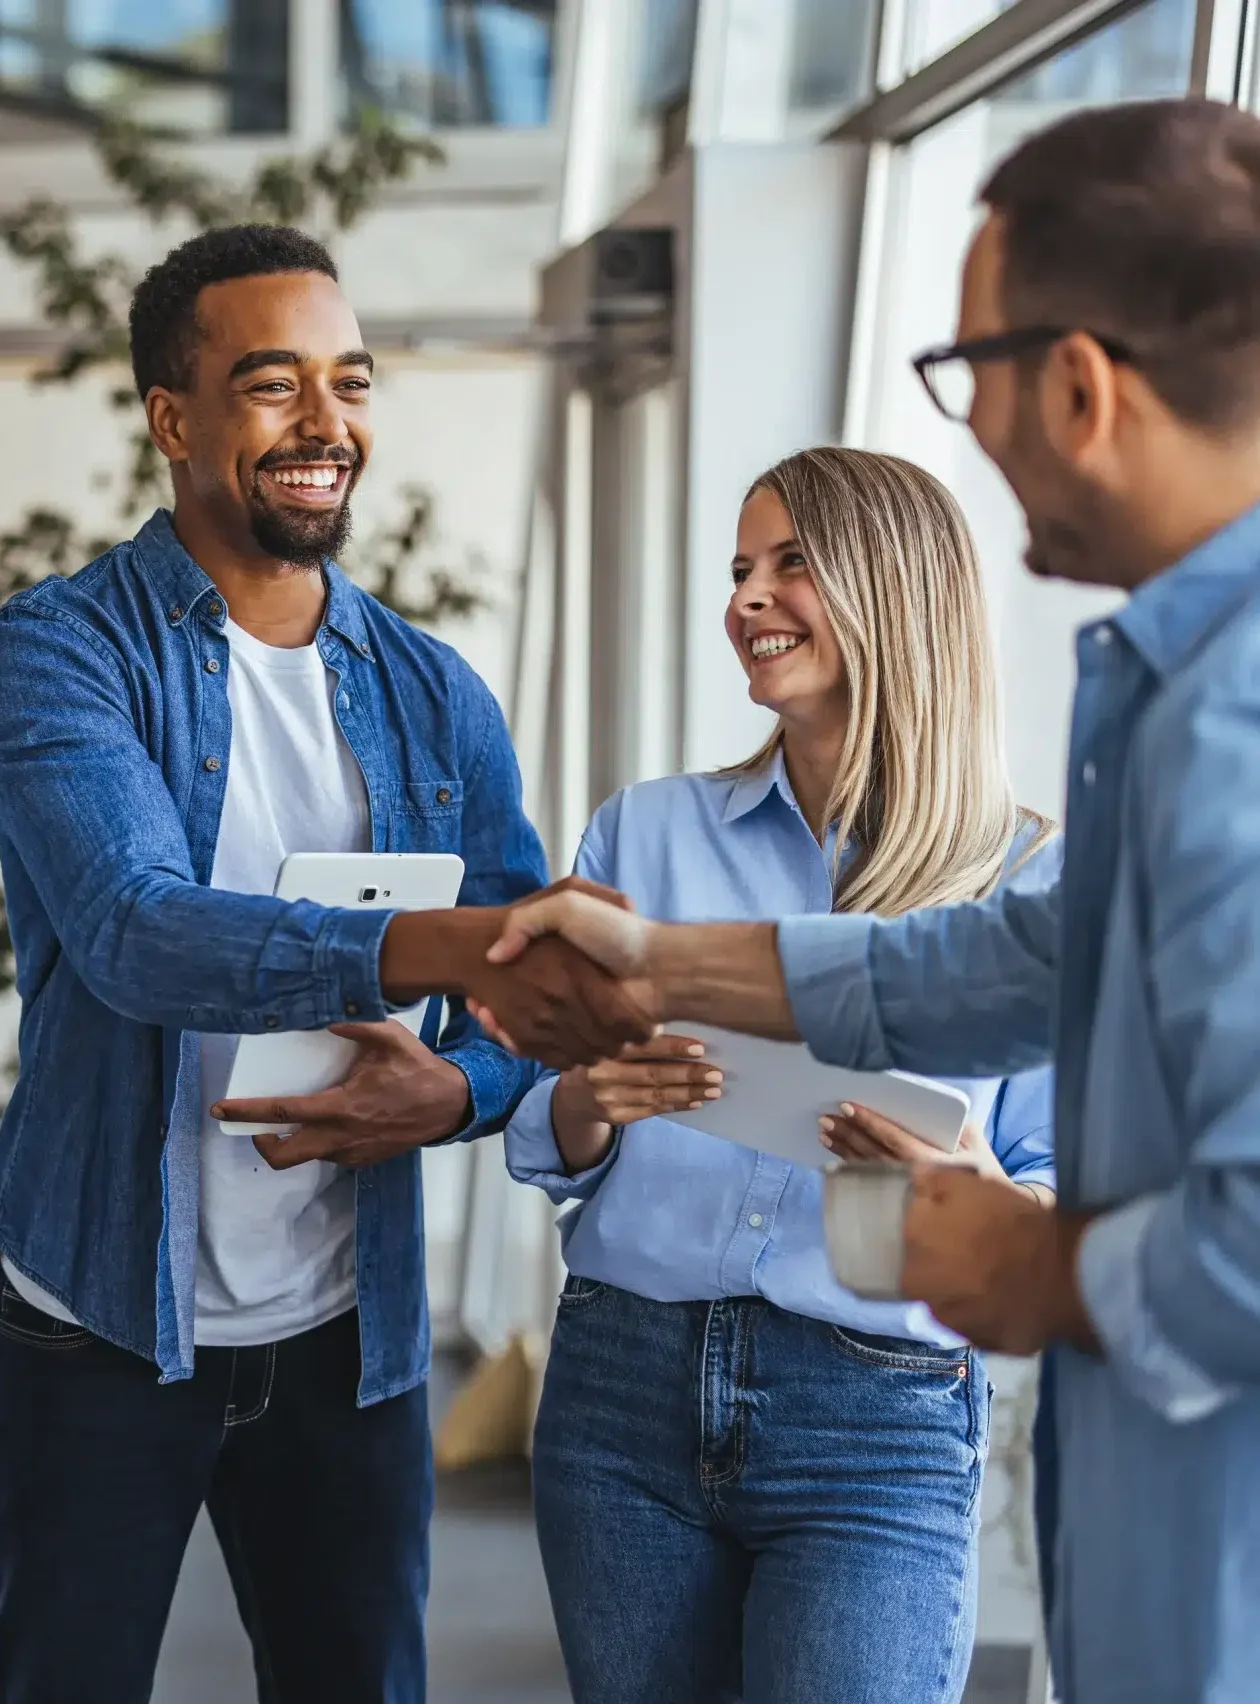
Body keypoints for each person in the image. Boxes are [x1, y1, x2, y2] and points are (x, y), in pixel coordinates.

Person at [475, 99, 1260, 1704]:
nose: (965, 427)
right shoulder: (1163, 688)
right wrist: (660, 959)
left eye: (961, 371)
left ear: (1079, 383)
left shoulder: (1228, 720)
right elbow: (1012, 961)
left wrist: (1028, 1264)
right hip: (670, 1392)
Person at [0, 224, 650, 1704]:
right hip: (100, 1323)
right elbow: (132, 928)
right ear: (175, 420)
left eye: (348, 385)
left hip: (347, 1337)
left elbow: (517, 1004)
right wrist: (423, 943)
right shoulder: (59, 652)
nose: (326, 425)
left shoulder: (432, 694)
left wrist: (462, 1093)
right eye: (273, 384)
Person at [503, 446, 1057, 1704]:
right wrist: (594, 1099)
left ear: (895, 590)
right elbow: (545, 1127)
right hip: (621, 1393)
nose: (747, 599)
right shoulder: (642, 832)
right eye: (741, 569)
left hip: (878, 1419)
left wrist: (972, 1187)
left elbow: (1067, 1184)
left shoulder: (1025, 881)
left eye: (791, 564)